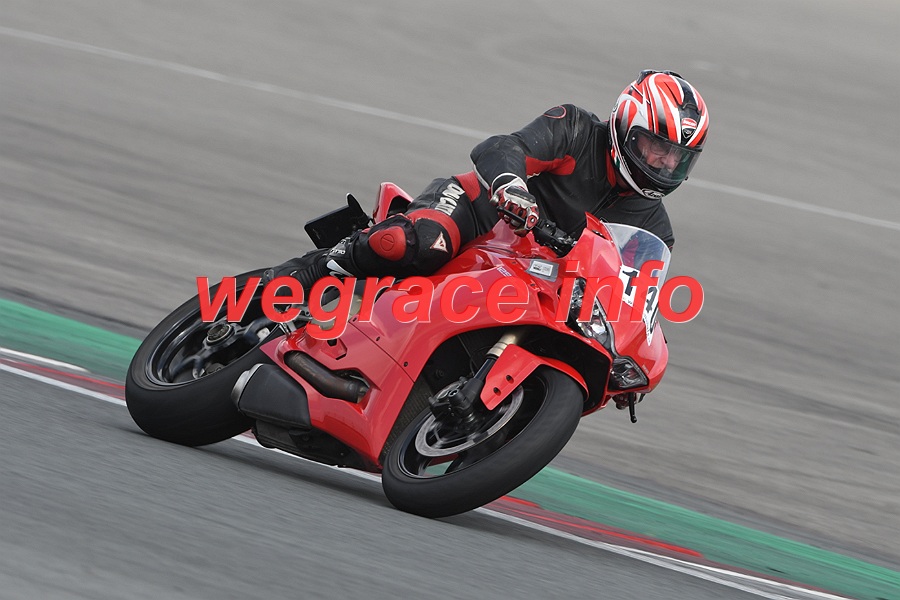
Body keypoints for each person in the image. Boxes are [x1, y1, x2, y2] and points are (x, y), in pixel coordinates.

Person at [269, 69, 709, 292]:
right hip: (481, 214)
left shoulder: (656, 230)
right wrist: (512, 187)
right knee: (412, 244)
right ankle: (307, 272)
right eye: (657, 146)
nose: (664, 163)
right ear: (627, 125)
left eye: (677, 157)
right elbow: (501, 147)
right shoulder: (576, 130)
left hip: (539, 282)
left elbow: (635, 301)